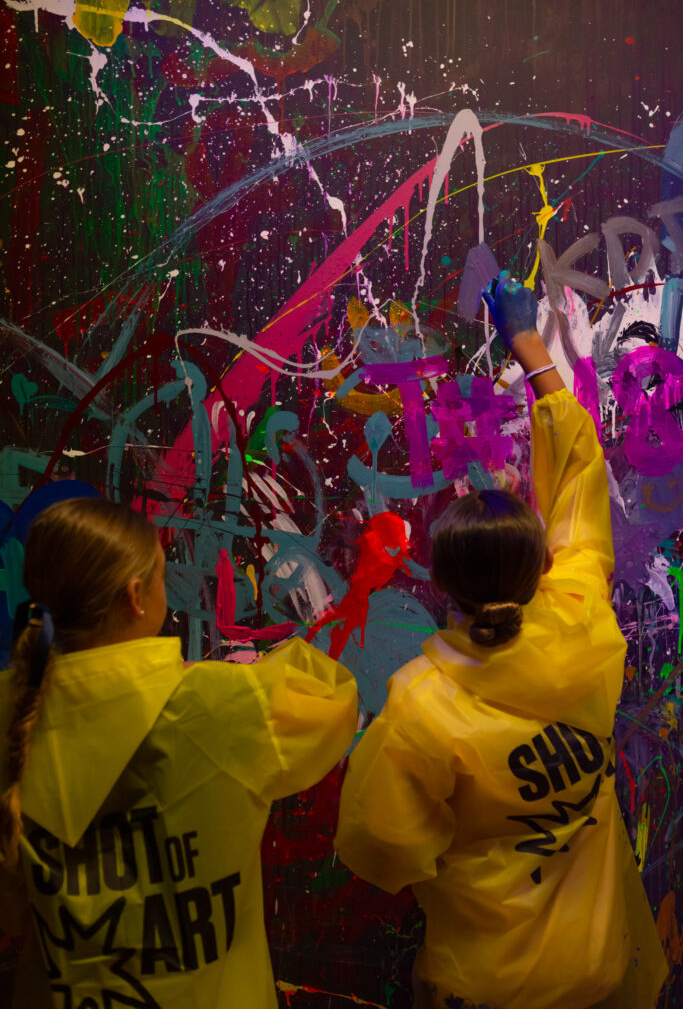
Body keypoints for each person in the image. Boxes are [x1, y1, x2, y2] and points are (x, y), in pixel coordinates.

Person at [334, 274, 667, 1009]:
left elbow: (382, 850)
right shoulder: (582, 622)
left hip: (483, 984)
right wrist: (525, 340)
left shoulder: (422, 703)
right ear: (538, 564)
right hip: (598, 968)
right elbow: (580, 477)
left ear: (441, 587)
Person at [0, 498, 358, 1008]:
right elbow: (334, 697)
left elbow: (11, 912)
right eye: (164, 577)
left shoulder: (11, 710)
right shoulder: (223, 702)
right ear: (135, 597)